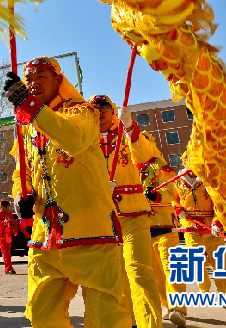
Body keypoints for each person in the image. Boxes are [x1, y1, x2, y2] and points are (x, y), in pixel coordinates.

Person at [3, 57, 130, 328]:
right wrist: (20, 195)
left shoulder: (82, 112)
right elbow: (21, 172)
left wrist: (29, 105)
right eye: (29, 80)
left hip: (90, 230)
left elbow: (73, 140)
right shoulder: (27, 127)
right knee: (42, 315)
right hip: (45, 235)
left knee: (105, 315)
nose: (33, 84)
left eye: (41, 78)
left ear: (59, 81)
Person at [88, 95, 162, 328]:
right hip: (104, 217)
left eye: (103, 108)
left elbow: (149, 159)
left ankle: (150, 324)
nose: (98, 113)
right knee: (117, 278)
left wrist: (130, 128)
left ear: (113, 112)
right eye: (93, 109)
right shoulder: (85, 142)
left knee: (139, 273)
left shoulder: (129, 135)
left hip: (134, 215)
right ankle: (128, 322)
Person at [132, 132, 187, 327]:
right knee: (154, 274)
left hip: (165, 226)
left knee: (171, 269)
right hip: (140, 228)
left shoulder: (161, 165)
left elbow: (172, 190)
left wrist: (156, 196)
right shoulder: (127, 166)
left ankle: (178, 309)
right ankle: (166, 306)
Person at [171, 156, 226, 295]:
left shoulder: (210, 180)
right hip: (190, 225)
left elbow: (219, 202)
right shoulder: (177, 182)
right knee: (195, 260)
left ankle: (225, 293)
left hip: (210, 226)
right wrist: (177, 209)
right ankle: (204, 288)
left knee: (219, 261)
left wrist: (217, 222)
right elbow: (172, 199)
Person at [0, 200, 18, 275]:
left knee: (8, 252)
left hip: (8, 235)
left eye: (8, 207)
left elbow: (12, 225)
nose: (8, 208)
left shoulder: (10, 214)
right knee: (5, 252)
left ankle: (8, 268)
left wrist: (14, 223)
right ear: (2, 206)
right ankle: (9, 268)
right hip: (2, 236)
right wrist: (5, 222)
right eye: (7, 207)